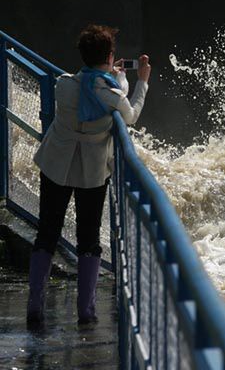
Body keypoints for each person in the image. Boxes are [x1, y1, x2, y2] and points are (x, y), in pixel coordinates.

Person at [27, 24, 151, 325]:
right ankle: (86, 310)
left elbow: (89, 86)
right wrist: (141, 82)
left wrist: (110, 75)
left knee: (47, 231)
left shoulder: (64, 84)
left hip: (56, 163)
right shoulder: (112, 94)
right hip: (92, 171)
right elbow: (129, 114)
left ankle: (34, 304)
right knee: (88, 237)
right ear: (110, 56)